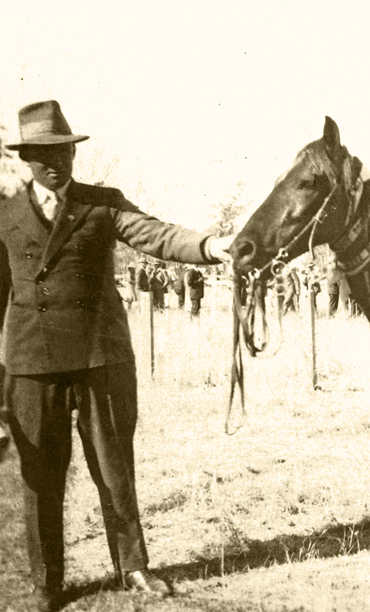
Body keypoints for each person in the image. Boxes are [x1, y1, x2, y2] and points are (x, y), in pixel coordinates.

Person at [0, 100, 232, 610]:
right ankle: (46, 581)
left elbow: (156, 233)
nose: (54, 162)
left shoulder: (102, 202)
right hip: (31, 363)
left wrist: (212, 246)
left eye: (62, 150)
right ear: (25, 159)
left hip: (99, 356)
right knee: (40, 475)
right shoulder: (3, 214)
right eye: (42, 153)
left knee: (114, 467)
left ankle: (133, 567)